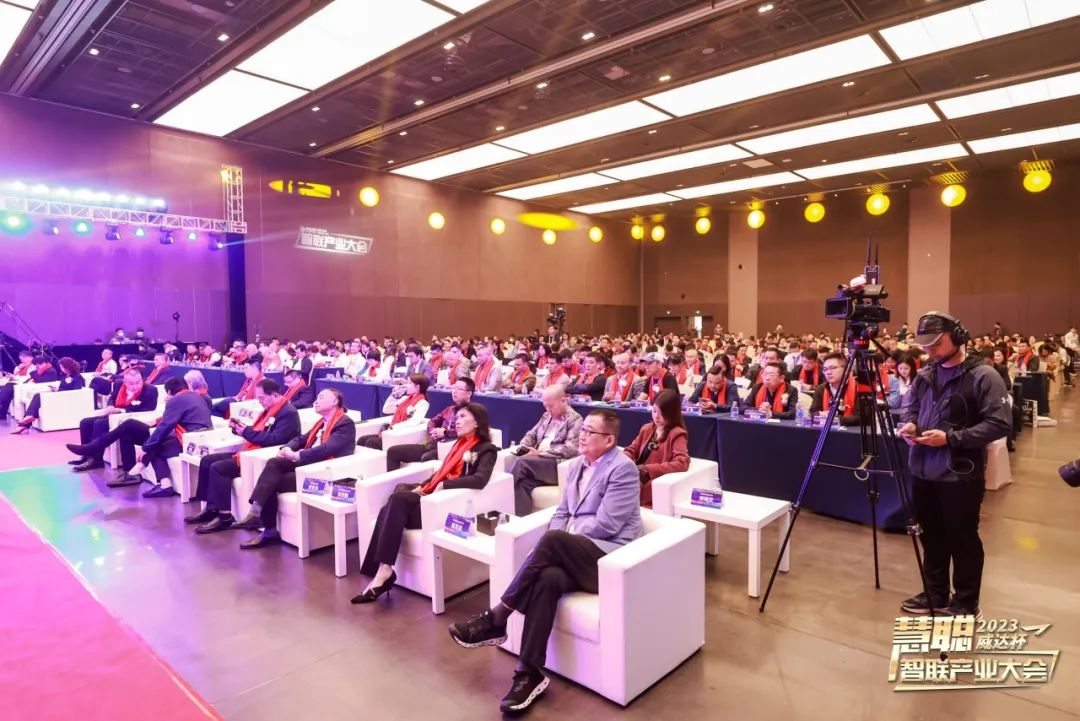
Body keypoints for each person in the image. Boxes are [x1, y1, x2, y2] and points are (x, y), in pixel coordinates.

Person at [448, 409, 642, 714]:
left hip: (608, 558)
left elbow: (608, 524)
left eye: (589, 431)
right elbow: (562, 512)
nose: (582, 435)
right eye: (583, 429)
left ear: (609, 440)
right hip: (576, 553)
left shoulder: (623, 469)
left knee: (552, 541)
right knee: (548, 578)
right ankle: (529, 673)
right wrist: (556, 543)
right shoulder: (576, 465)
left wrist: (559, 541)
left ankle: (498, 617)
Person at [897, 311, 1010, 618]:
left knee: (962, 539)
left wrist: (950, 438)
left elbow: (999, 423)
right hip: (923, 470)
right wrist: (910, 423)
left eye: (936, 343)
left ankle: (966, 602)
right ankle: (935, 593)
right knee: (930, 535)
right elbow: (910, 407)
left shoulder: (984, 376)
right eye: (926, 345)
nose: (929, 350)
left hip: (960, 474)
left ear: (958, 337)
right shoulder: (925, 374)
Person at [353, 403, 499, 604]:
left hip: (447, 504)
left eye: (463, 417)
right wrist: (424, 485)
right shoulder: (458, 444)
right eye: (456, 417)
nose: (457, 421)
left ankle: (383, 572)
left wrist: (445, 485)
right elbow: (440, 473)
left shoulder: (486, 449)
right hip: (431, 497)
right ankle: (382, 570)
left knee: (396, 500)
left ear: (477, 422)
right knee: (390, 506)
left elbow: (480, 479)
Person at [233, 387, 356, 549]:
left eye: (321, 397)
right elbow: (300, 439)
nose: (316, 401)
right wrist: (287, 448)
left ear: (334, 402)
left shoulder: (345, 423)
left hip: (322, 472)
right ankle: (256, 512)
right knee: (273, 463)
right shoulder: (321, 422)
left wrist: (297, 455)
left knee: (271, 482)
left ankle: (267, 529)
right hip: (307, 465)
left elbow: (327, 449)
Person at [184, 378, 302, 534]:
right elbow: (258, 431)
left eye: (261, 398)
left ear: (274, 395)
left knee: (219, 468)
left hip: (261, 455)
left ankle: (225, 517)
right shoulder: (270, 409)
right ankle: (211, 508)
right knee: (206, 461)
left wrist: (246, 432)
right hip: (250, 450)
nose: (259, 402)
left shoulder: (288, 413)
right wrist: (239, 429)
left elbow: (275, 440)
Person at [131, 376, 213, 497]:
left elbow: (165, 426)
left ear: (169, 392)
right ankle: (143, 468)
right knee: (158, 443)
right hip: (205, 437)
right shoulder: (197, 396)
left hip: (190, 441)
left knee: (156, 448)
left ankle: (163, 484)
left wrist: (145, 448)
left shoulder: (176, 400)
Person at [67, 368, 159, 471]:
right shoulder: (118, 384)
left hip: (128, 418)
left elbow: (148, 409)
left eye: (138, 382)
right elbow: (112, 398)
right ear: (124, 382)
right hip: (113, 414)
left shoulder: (150, 390)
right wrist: (110, 406)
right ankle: (86, 456)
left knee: (99, 423)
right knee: (85, 422)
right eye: (131, 384)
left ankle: (96, 460)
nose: (135, 386)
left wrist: (121, 410)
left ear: (142, 380)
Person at [510, 386, 582, 516]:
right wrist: (524, 446)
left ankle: (500, 492)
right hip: (538, 464)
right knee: (523, 483)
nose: (548, 409)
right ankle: (520, 521)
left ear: (563, 400)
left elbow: (571, 448)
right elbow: (531, 434)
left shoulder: (575, 419)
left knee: (521, 463)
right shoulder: (546, 416)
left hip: (556, 464)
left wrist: (541, 454)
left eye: (551, 406)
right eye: (545, 406)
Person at [385, 378, 474, 471]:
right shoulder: (449, 409)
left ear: (469, 393)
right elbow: (431, 422)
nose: (454, 391)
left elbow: (467, 432)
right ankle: (391, 480)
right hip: (433, 445)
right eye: (454, 388)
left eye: (459, 389)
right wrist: (434, 431)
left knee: (426, 457)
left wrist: (445, 432)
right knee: (393, 451)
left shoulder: (472, 412)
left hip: (451, 448)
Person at [623, 389, 689, 506]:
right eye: (654, 411)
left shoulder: (677, 434)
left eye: (661, 413)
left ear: (672, 414)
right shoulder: (647, 428)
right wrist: (625, 457)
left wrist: (648, 469)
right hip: (635, 474)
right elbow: (632, 449)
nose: (656, 417)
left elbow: (681, 463)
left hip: (650, 480)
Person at [11, 357, 84, 434]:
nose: (62, 369)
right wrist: (56, 390)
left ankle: (26, 422)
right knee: (38, 396)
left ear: (68, 366)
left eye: (63, 367)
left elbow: (75, 392)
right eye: (61, 367)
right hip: (59, 395)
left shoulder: (78, 377)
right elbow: (63, 387)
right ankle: (26, 422)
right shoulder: (67, 376)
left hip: (65, 398)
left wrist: (60, 392)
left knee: (38, 396)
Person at [356, 374, 430, 449]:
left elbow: (414, 422)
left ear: (417, 387)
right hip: (390, 430)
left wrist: (394, 427)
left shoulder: (423, 403)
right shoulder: (405, 398)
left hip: (400, 434)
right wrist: (393, 396)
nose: (406, 386)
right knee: (362, 439)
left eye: (409, 383)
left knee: (371, 443)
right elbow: (386, 410)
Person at [809, 352, 867, 426]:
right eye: (825, 369)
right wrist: (821, 414)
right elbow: (813, 412)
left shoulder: (860, 388)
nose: (828, 372)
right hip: (826, 429)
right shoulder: (821, 389)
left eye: (833, 368)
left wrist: (835, 419)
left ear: (846, 369)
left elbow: (861, 417)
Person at [0, 350, 38, 417]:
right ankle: (2, 414)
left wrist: (14, 377)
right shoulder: (21, 365)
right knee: (6, 392)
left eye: (23, 359)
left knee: (8, 387)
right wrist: (19, 368)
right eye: (21, 359)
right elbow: (15, 373)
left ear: (29, 358)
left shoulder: (33, 366)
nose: (21, 361)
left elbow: (27, 378)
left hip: (25, 384)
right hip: (17, 382)